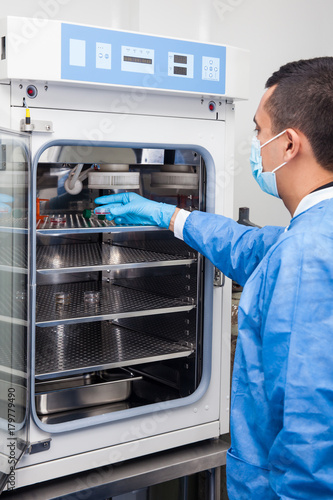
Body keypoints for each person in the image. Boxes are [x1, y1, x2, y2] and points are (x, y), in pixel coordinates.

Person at [95, 57, 333, 499]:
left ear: (289, 145)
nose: (256, 144)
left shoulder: (307, 258)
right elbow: (253, 249)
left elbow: (312, 437)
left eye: (260, 131)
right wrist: (170, 215)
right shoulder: (311, 237)